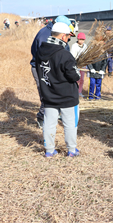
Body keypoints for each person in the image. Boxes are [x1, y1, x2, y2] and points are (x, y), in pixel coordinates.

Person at [35, 22, 81, 157]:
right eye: (67, 36)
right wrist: (76, 70)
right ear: (62, 36)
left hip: (48, 94)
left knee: (49, 123)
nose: (68, 39)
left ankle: (49, 151)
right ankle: (72, 150)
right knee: (69, 124)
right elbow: (74, 76)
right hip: (67, 97)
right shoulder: (65, 55)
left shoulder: (40, 52)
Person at [30, 15, 75, 128]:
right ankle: (42, 117)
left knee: (53, 91)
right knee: (47, 92)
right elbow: (42, 55)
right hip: (43, 67)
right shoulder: (46, 34)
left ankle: (52, 114)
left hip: (53, 67)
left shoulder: (53, 32)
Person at [71, 32, 88, 98]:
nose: (81, 41)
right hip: (76, 65)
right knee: (76, 79)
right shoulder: (74, 46)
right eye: (80, 39)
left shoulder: (85, 46)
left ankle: (79, 92)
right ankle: (74, 92)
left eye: (83, 40)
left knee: (82, 79)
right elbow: (73, 55)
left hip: (83, 65)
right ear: (77, 39)